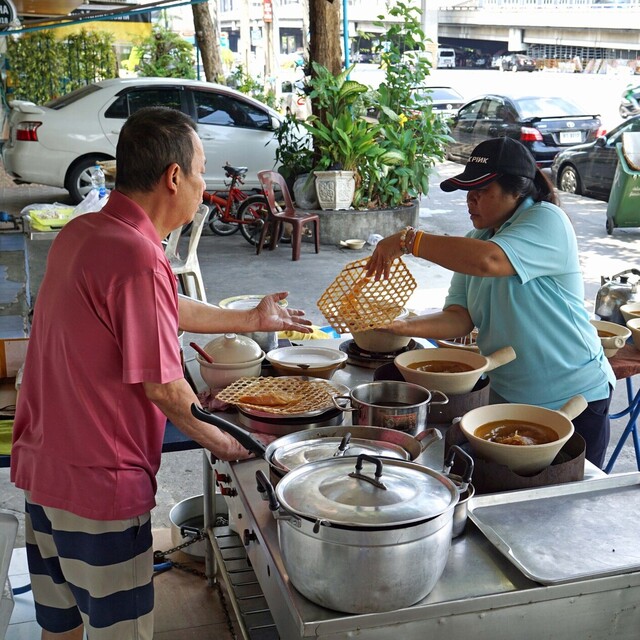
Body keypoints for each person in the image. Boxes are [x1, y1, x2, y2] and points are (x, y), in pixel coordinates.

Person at [10, 106, 312, 640]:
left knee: (62, 628)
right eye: (200, 171)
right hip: (99, 489)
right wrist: (232, 443)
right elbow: (167, 390)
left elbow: (161, 304)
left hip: (44, 473)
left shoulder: (86, 232)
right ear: (174, 177)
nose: (203, 187)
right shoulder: (135, 257)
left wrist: (251, 318)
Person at [366, 137, 615, 469]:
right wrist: (401, 327)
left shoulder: (547, 220)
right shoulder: (478, 239)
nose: (470, 199)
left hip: (573, 396)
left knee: (561, 494)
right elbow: (459, 316)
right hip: (507, 397)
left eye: (482, 190)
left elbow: (490, 261)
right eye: (468, 190)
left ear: (517, 191)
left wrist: (409, 240)